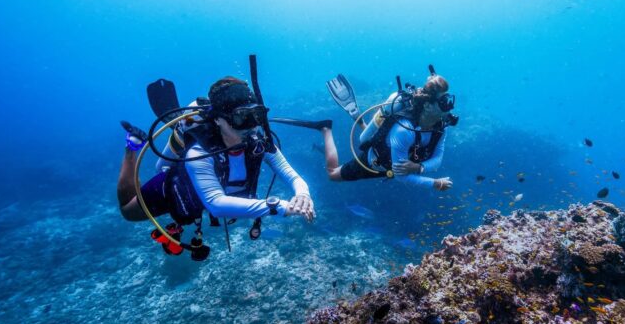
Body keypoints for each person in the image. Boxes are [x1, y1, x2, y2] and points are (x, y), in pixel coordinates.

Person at [116, 77, 315, 235]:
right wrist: (280, 206)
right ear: (218, 119)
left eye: (256, 116)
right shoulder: (199, 152)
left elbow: (290, 174)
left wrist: (302, 194)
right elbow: (216, 204)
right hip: (181, 189)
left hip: (220, 187)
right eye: (240, 118)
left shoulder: (257, 141)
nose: (251, 126)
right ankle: (132, 148)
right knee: (128, 211)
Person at [313, 71, 456, 190]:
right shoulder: (404, 131)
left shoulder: (441, 126)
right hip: (375, 162)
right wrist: (435, 183)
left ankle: (362, 122)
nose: (450, 107)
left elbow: (438, 159)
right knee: (333, 174)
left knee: (384, 139)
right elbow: (400, 175)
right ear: (428, 106)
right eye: (444, 102)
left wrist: (418, 167)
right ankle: (326, 129)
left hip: (396, 158)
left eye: (449, 99)